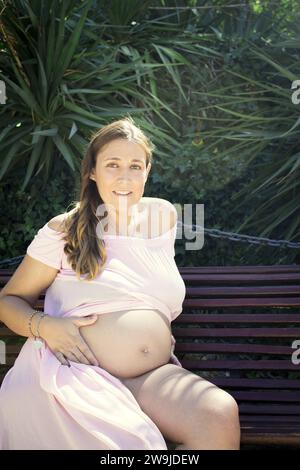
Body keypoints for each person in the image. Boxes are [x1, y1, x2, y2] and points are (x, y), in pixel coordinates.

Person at [0, 117, 240, 450]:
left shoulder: (163, 216)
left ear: (147, 170)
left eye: (135, 166)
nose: (125, 177)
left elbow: (142, 287)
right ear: (92, 172)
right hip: (77, 373)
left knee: (217, 414)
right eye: (112, 165)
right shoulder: (64, 229)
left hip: (149, 377)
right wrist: (44, 325)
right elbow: (8, 299)